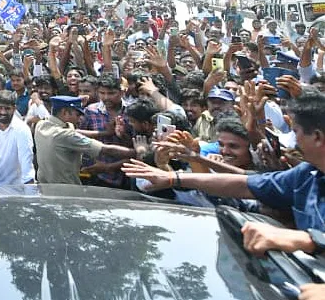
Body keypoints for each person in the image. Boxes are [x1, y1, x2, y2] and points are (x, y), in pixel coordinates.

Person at [123, 91, 325, 234]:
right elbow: (245, 183)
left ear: (316, 137)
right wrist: (174, 176)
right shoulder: (306, 174)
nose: (292, 141)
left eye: (295, 132)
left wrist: (303, 240)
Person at [35, 96, 140, 185]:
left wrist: (106, 133)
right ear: (65, 112)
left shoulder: (42, 125)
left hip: (45, 187)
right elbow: (106, 150)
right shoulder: (64, 135)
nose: (80, 118)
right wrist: (137, 152)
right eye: (77, 114)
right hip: (66, 191)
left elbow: (75, 132)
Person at [0, 90, 34, 187]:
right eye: (0, 108)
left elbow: (26, 165)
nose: (3, 112)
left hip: (14, 190)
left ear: (14, 108)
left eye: (7, 109)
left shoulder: (22, 130)